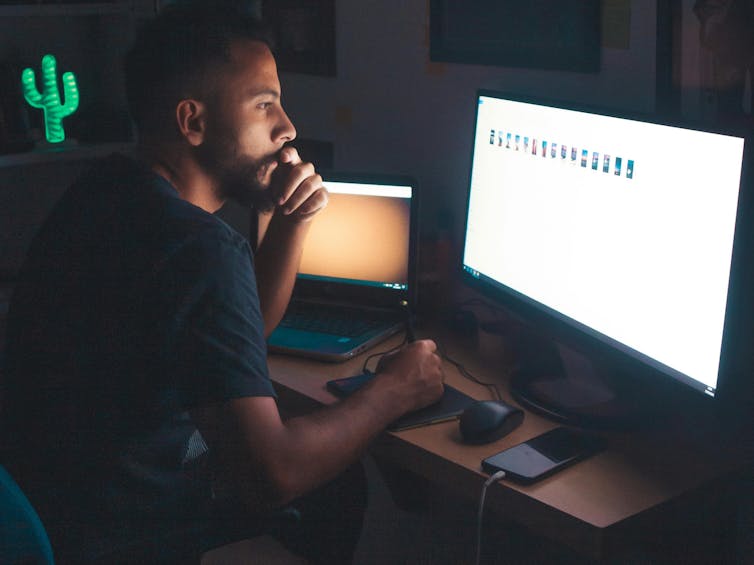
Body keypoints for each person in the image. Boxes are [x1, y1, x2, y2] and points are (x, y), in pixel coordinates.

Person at [0, 3, 444, 564]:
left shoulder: (100, 194)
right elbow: (272, 476)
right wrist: (393, 391)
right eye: (265, 105)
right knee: (334, 483)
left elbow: (238, 337)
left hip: (62, 505)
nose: (288, 127)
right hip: (125, 531)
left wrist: (290, 224)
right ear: (193, 122)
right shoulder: (199, 247)